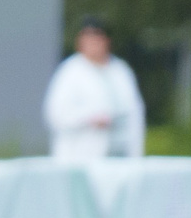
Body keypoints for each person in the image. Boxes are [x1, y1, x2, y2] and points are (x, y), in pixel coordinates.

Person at [44, 18, 145, 161]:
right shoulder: (70, 71)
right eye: (87, 38)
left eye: (97, 37)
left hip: (121, 155)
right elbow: (56, 115)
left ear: (106, 41)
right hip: (81, 157)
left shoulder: (121, 71)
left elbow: (135, 113)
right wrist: (89, 118)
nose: (92, 43)